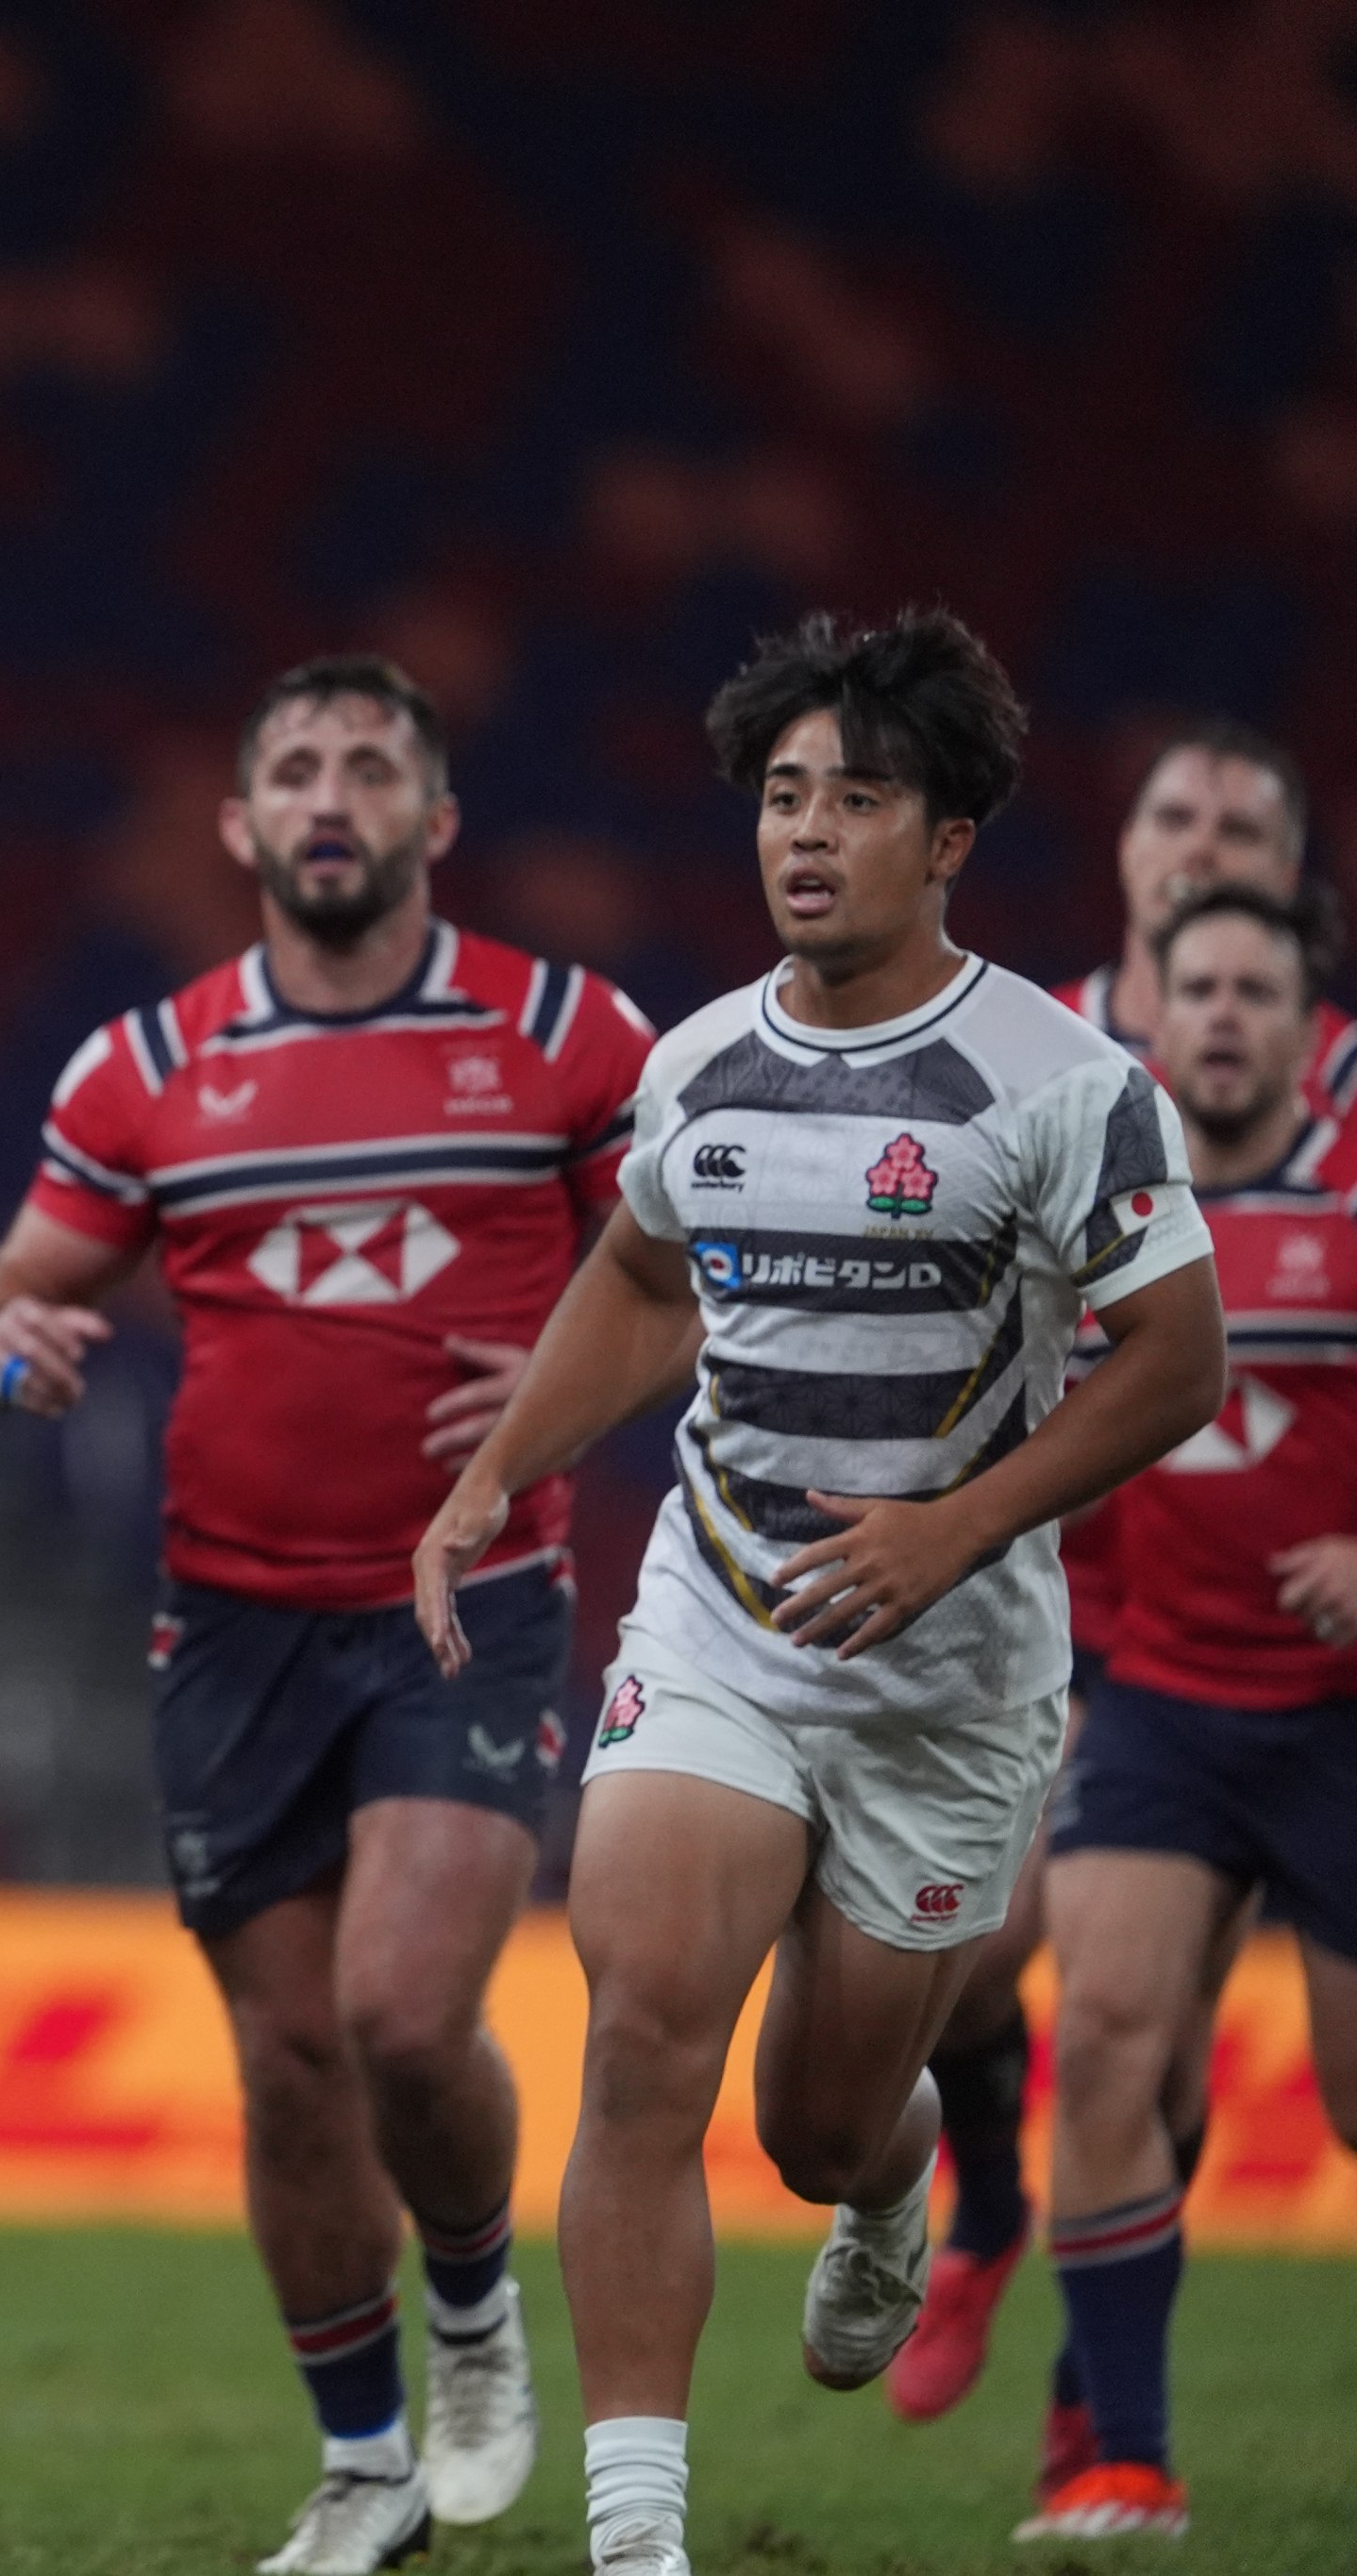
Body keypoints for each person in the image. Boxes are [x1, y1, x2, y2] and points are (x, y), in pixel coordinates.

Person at [413, 606, 1228, 2576]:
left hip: (948, 1684)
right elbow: (632, 1279)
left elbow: (1175, 1359)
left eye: (854, 799)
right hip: (721, 1624)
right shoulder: (697, 1067)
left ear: (945, 836)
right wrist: (496, 1471)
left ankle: (893, 2188)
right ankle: (634, 2541)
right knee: (638, 2035)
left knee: (811, 2123)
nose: (805, 833)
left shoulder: (1057, 1082)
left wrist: (955, 1528)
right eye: (783, 795)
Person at [0, 656, 651, 2572]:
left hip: (464, 1597)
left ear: (434, 820)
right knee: (285, 2064)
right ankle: (362, 2468)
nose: (329, 795)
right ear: (240, 829)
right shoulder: (145, 1069)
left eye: (369, 766)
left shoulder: (566, 1034)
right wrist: (14, 1350)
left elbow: (696, 1272)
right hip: (228, 1618)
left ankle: (477, 2315)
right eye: (293, 771)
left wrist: (547, 1380)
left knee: (403, 2017)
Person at [892, 717, 1347, 2423]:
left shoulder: (1325, 1088)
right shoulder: (1027, 1048)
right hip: (1037, 1610)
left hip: (1220, 1639)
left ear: (1292, 886)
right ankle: (1000, 2220)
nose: (1206, 838)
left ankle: (1098, 2377)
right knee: (960, 1962)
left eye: (1246, 817)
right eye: (1177, 808)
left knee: (1137, 2021)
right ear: (1127, 849)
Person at [1015, 883, 1357, 2540]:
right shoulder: (1094, 1211)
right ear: (1154, 1018)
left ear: (1308, 1024)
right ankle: (1122, 2457)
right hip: (1159, 1700)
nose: (1221, 1013)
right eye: (1194, 987)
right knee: (1102, 2043)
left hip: (1345, 1716)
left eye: (1254, 989)